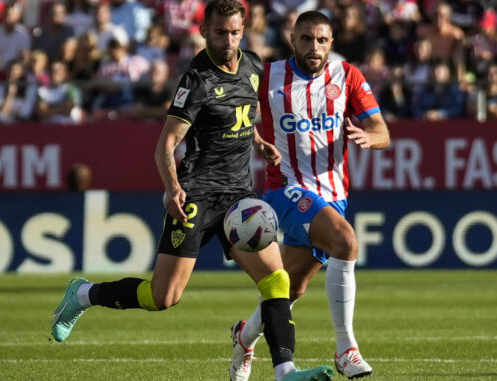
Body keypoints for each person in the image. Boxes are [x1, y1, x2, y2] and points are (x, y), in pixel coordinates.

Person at [50, 2, 334, 381]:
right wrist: (172, 188)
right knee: (163, 297)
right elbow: (165, 146)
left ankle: (285, 371)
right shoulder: (196, 80)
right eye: (220, 32)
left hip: (238, 199)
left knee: (276, 280)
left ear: (243, 30)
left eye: (234, 32)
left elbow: (240, 116)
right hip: (196, 196)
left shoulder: (251, 65)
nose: (228, 40)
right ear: (204, 31)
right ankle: (83, 294)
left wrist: (260, 143)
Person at [230, 10, 390, 381]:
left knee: (289, 287)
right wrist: (253, 139)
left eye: (321, 40)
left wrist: (371, 138)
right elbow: (231, 110)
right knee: (346, 242)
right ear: (293, 40)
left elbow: (381, 128)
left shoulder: (347, 75)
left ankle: (245, 336)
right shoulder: (267, 76)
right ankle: (345, 347)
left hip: (333, 194)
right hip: (285, 188)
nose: (314, 47)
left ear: (331, 43)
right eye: (306, 39)